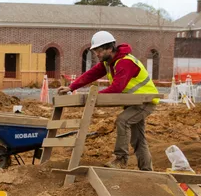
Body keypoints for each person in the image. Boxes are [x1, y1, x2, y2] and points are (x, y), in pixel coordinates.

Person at [59, 31, 159, 171]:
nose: (97, 55)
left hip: (145, 101)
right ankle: (147, 171)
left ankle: (121, 159)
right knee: (138, 139)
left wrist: (93, 96)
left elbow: (117, 87)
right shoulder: (108, 62)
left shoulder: (125, 62)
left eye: (99, 51)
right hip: (134, 103)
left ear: (109, 48)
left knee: (123, 121)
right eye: (95, 52)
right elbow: (91, 74)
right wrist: (71, 87)